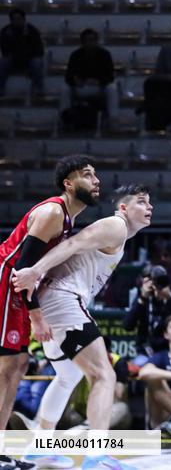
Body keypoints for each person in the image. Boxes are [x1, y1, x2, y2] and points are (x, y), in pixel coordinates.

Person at [12, 183, 153, 469]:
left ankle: (40, 446)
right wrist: (34, 271)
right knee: (104, 375)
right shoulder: (116, 225)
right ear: (123, 208)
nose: (149, 207)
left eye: (150, 203)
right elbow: (72, 244)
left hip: (52, 302)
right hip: (63, 299)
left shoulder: (119, 236)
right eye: (141, 201)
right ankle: (97, 455)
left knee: (68, 376)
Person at [0, 155, 99, 470]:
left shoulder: (68, 219)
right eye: (87, 175)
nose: (96, 180)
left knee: (16, 366)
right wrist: (36, 315)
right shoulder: (53, 212)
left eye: (96, 175)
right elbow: (21, 269)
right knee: (6, 369)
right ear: (69, 184)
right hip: (6, 283)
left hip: (15, 289)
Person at [123, 262, 171, 361]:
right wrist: (142, 298)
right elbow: (127, 326)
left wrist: (170, 297)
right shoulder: (142, 298)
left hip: (170, 352)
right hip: (145, 352)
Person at [61, 28, 117, 127]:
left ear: (96, 41)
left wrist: (99, 81)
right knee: (65, 88)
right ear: (82, 42)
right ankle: (65, 119)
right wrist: (75, 82)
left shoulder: (105, 54)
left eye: (92, 40)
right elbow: (68, 76)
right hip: (81, 87)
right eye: (86, 40)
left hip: (99, 87)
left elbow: (110, 76)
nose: (89, 43)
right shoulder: (75, 55)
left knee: (112, 88)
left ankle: (113, 119)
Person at [0, 8, 45, 99]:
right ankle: (1, 89)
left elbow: (39, 50)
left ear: (24, 19)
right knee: (2, 63)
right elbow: (5, 50)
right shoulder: (5, 32)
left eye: (19, 19)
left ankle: (39, 89)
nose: (17, 21)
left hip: (30, 58)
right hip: (13, 58)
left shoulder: (32, 31)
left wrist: (26, 54)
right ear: (11, 20)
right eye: (14, 19)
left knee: (36, 64)